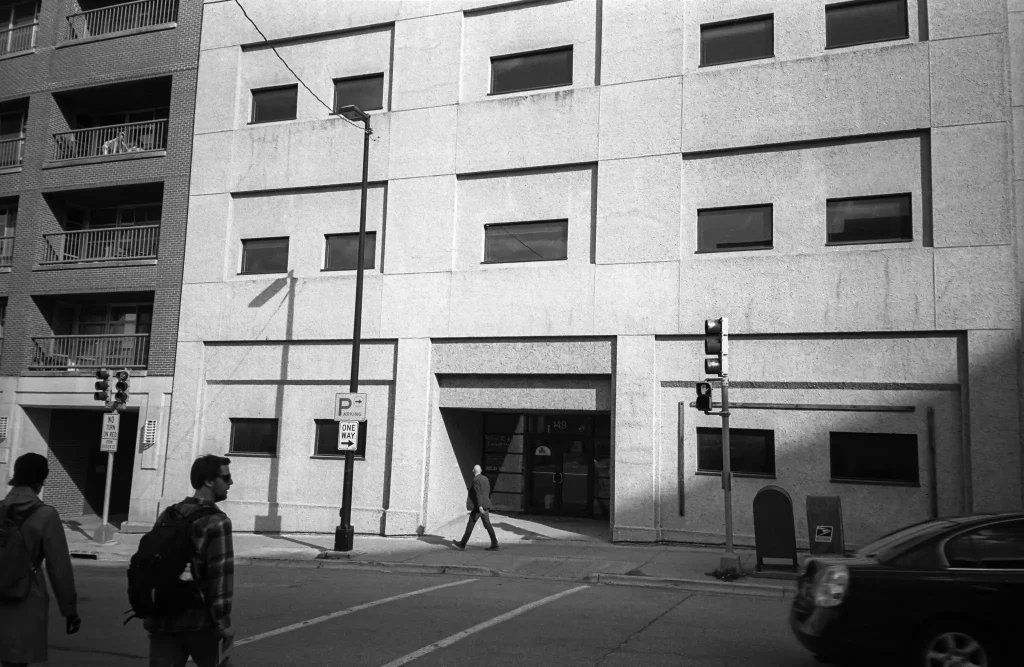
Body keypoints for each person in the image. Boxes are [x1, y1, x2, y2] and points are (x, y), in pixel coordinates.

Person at [145, 454, 234, 667]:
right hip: (199, 621)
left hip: (162, 616)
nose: (231, 482)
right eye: (226, 477)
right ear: (209, 481)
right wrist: (223, 623)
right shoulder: (217, 521)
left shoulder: (169, 514)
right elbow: (219, 577)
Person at [0, 453, 81, 667]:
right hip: (26, 596)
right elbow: (59, 569)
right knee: (17, 659)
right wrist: (69, 610)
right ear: (41, 480)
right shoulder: (46, 515)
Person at [451, 464, 498, 551]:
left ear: (473, 471)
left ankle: (462, 544)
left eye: (473, 470)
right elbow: (486, 491)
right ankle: (494, 544)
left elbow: (478, 494)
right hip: (486, 504)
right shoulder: (485, 479)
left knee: (471, 524)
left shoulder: (476, 480)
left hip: (479, 507)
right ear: (480, 471)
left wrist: (480, 506)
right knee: (487, 524)